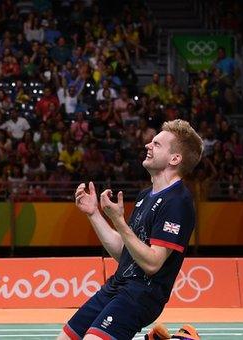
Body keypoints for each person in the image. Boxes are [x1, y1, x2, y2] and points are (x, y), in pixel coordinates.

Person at [58, 119, 203, 340]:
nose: (148, 145)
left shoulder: (177, 202)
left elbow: (153, 263)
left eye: (157, 144)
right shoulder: (145, 196)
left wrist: (119, 221)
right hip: (117, 285)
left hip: (142, 293)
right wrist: (94, 214)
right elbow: (125, 253)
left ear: (175, 158)